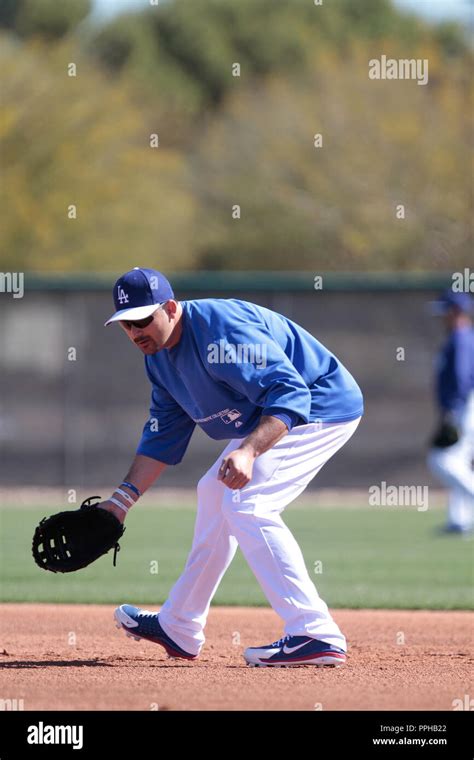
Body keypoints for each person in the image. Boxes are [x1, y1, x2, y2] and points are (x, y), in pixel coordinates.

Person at [99, 267, 364, 667]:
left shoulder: (221, 332)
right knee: (214, 491)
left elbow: (291, 393)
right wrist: (120, 502)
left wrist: (250, 452)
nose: (136, 332)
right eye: (126, 325)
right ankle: (179, 625)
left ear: (170, 308)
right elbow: (162, 438)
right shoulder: (159, 358)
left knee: (248, 503)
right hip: (278, 414)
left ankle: (314, 632)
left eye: (143, 320)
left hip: (320, 406)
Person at [427, 290, 474, 534]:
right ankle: (459, 520)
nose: (441, 317)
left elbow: (462, 377)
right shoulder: (459, 337)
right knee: (459, 462)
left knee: (442, 460)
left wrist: (454, 410)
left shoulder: (462, 339)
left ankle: (461, 519)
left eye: (445, 311)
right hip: (463, 405)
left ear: (455, 311)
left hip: (466, 406)